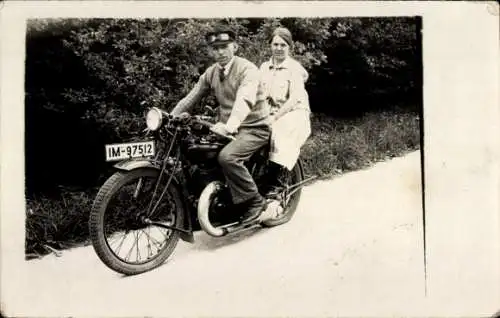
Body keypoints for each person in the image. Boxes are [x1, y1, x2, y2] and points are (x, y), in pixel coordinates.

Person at [170, 24, 271, 224]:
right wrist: (169, 118)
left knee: (227, 157)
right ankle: (216, 204)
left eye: (225, 46)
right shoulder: (211, 73)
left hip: (254, 127)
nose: (220, 52)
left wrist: (230, 125)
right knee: (197, 151)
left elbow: (245, 99)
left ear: (235, 46)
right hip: (227, 129)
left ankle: (255, 201)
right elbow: (191, 97)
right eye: (215, 48)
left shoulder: (247, 69)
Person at [258, 27, 312, 194]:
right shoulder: (264, 67)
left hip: (294, 112)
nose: (279, 48)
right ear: (270, 46)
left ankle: (275, 181)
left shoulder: (294, 69)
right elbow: (258, 93)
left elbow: (294, 98)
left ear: (289, 47)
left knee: (279, 130)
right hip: (270, 111)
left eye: (283, 45)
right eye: (275, 44)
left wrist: (275, 117)